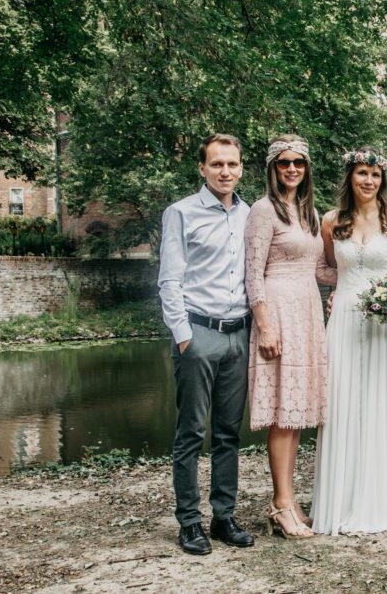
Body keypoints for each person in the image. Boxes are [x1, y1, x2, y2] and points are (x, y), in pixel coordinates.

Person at [310, 146, 387, 535]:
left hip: (385, 325)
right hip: (342, 323)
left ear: (382, 179)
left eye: (374, 175)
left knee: (382, 402)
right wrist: (337, 291)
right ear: (350, 178)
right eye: (361, 174)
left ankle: (383, 499)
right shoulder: (330, 222)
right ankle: (341, 500)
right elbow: (325, 267)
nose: (368, 181)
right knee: (344, 402)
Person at [158, 133, 256, 555]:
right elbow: (169, 280)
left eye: (232, 164)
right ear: (202, 168)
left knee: (229, 433)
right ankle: (188, 522)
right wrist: (184, 338)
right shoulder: (181, 213)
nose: (225, 171)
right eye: (217, 164)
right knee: (191, 432)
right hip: (199, 333)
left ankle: (223, 517)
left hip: (240, 333)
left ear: (240, 167)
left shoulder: (251, 214)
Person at [244, 135, 337, 539]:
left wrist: (364, 280)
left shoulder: (309, 212)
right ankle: (281, 504)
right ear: (272, 167)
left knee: (297, 411)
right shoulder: (263, 211)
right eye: (284, 163)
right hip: (279, 312)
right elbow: (252, 272)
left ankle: (290, 499)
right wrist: (264, 322)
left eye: (299, 162)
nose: (292, 169)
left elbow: (319, 269)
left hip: (308, 312)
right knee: (283, 412)